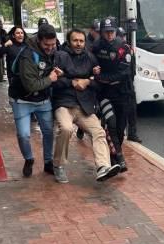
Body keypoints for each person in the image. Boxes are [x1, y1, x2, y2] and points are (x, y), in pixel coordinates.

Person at [52, 29, 121, 183]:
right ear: (69, 41)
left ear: (85, 42)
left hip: (84, 105)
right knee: (66, 128)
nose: (78, 44)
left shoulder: (90, 58)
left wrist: (88, 81)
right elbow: (53, 81)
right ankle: (58, 165)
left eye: (81, 41)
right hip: (64, 103)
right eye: (75, 40)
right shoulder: (60, 56)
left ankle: (103, 167)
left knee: (99, 131)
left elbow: (99, 82)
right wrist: (72, 82)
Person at [13, 24, 60, 177]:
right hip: (22, 100)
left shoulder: (54, 50)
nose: (50, 48)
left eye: (53, 44)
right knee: (23, 135)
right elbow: (31, 85)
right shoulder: (28, 55)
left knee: (48, 132)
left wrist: (58, 72)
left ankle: (48, 162)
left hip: (43, 100)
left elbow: (53, 68)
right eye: (47, 44)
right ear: (39, 40)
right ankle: (29, 159)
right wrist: (50, 79)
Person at [93, 17, 139, 171]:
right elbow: (89, 63)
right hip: (105, 93)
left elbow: (124, 73)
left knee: (120, 128)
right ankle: (119, 157)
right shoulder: (96, 46)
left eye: (112, 32)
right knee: (110, 124)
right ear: (102, 33)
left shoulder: (123, 48)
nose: (109, 35)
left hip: (123, 93)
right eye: (106, 32)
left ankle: (115, 154)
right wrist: (96, 76)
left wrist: (101, 77)